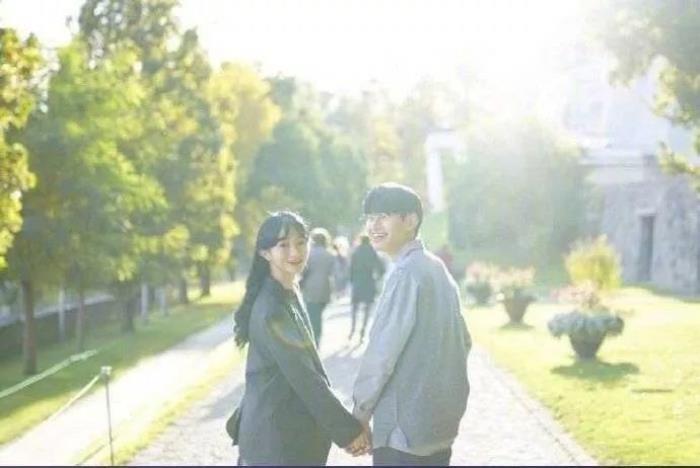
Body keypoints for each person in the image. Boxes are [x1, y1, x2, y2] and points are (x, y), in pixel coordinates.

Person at [233, 212, 370, 465]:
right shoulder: (272, 308)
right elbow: (305, 377)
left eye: (300, 242)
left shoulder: (288, 290)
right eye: (283, 245)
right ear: (265, 253)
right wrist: (349, 431)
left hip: (285, 433)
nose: (295, 252)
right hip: (274, 440)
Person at [352, 183, 472, 466]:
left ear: (410, 221)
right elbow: (464, 341)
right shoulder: (435, 267)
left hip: (404, 431)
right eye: (369, 217)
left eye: (383, 216)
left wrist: (359, 415)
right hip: (439, 424)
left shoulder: (406, 274)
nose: (373, 225)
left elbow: (382, 355)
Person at [301, 227, 336, 347]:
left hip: (310, 288)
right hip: (325, 288)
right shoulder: (330, 255)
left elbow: (303, 271)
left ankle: (312, 340)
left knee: (311, 315)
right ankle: (317, 339)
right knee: (318, 316)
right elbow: (333, 272)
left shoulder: (308, 254)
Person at [348, 234, 384, 342]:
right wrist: (377, 277)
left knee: (354, 308)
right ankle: (362, 332)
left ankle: (352, 329)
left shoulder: (356, 251)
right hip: (369, 281)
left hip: (357, 282)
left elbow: (350, 268)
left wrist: (351, 280)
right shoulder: (372, 252)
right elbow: (381, 268)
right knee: (367, 309)